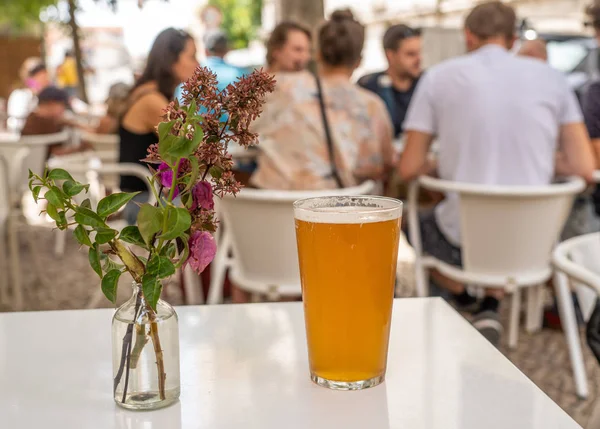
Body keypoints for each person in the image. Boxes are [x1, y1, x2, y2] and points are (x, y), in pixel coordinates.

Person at [399, 1, 595, 345]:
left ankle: (460, 298)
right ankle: (488, 302)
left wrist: (441, 165)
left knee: (408, 216)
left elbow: (408, 168)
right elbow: (583, 168)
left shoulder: (438, 77)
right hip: (533, 243)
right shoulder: (553, 79)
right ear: (512, 38)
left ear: (468, 35)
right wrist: (536, 159)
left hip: (462, 243)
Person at [251, 9, 394, 191]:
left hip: (272, 210)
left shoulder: (279, 86)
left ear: (317, 54)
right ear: (358, 61)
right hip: (331, 214)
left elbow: (239, 128)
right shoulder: (373, 106)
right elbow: (381, 166)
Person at [119, 28, 198, 224]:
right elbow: (192, 146)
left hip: (148, 202)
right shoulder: (152, 101)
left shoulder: (150, 93)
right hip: (146, 207)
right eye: (192, 56)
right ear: (171, 60)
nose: (198, 64)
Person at [358, 24, 422, 138]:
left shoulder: (427, 84)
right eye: (410, 54)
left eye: (419, 53)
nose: (418, 59)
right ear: (390, 56)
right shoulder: (370, 87)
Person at [21, 86, 91, 157]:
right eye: (62, 106)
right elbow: (53, 155)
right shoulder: (43, 123)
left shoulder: (34, 117)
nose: (63, 111)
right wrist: (82, 147)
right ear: (51, 104)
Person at [7, 59, 51, 130]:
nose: (47, 81)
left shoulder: (40, 95)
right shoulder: (20, 95)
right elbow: (17, 122)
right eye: (43, 77)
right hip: (23, 136)